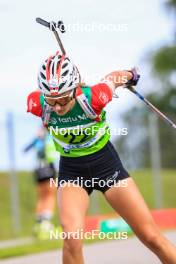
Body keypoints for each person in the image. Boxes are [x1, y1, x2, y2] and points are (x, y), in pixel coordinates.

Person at [27, 51, 176, 263]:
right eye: (51, 100)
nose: (57, 107)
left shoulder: (93, 97)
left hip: (107, 167)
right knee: (71, 238)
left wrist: (130, 75)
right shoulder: (37, 104)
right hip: (72, 172)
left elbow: (113, 78)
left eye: (62, 99)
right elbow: (47, 98)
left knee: (151, 237)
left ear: (72, 89)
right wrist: (53, 94)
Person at [24, 127, 58, 240]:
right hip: (48, 167)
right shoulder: (49, 136)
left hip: (38, 170)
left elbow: (26, 149)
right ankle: (46, 222)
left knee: (42, 196)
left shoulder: (38, 138)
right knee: (50, 194)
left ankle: (38, 223)